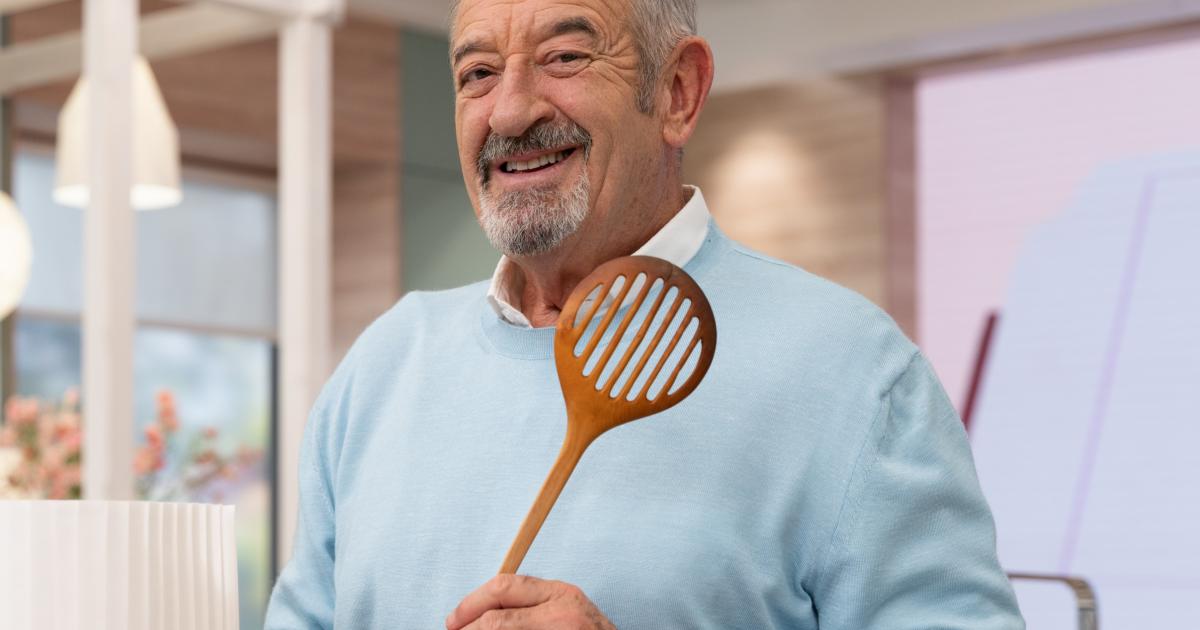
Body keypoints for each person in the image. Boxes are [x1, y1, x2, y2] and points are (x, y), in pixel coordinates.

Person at [264, 0, 1026, 628]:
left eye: (566, 57)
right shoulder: (384, 364)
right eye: (478, 72)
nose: (512, 109)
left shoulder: (852, 370)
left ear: (677, 93)